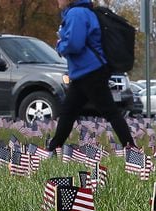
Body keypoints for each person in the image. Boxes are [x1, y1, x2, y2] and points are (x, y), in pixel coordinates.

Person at [48, 0, 135, 152]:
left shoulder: (77, 13)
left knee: (109, 112)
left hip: (90, 71)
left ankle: (132, 149)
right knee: (68, 112)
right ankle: (53, 148)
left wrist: (59, 45)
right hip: (86, 71)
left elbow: (75, 44)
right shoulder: (81, 12)